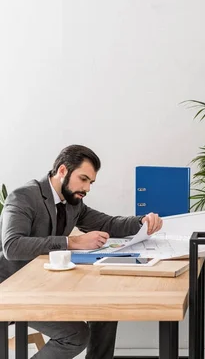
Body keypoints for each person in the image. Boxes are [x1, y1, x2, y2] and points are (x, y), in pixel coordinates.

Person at [0, 144, 163, 359]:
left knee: (106, 310)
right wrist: (72, 242)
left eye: (91, 182)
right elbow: (12, 246)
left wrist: (141, 221)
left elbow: (108, 223)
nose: (87, 188)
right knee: (76, 335)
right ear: (62, 171)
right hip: (12, 290)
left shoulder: (73, 202)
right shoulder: (23, 197)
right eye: (84, 179)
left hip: (45, 284)